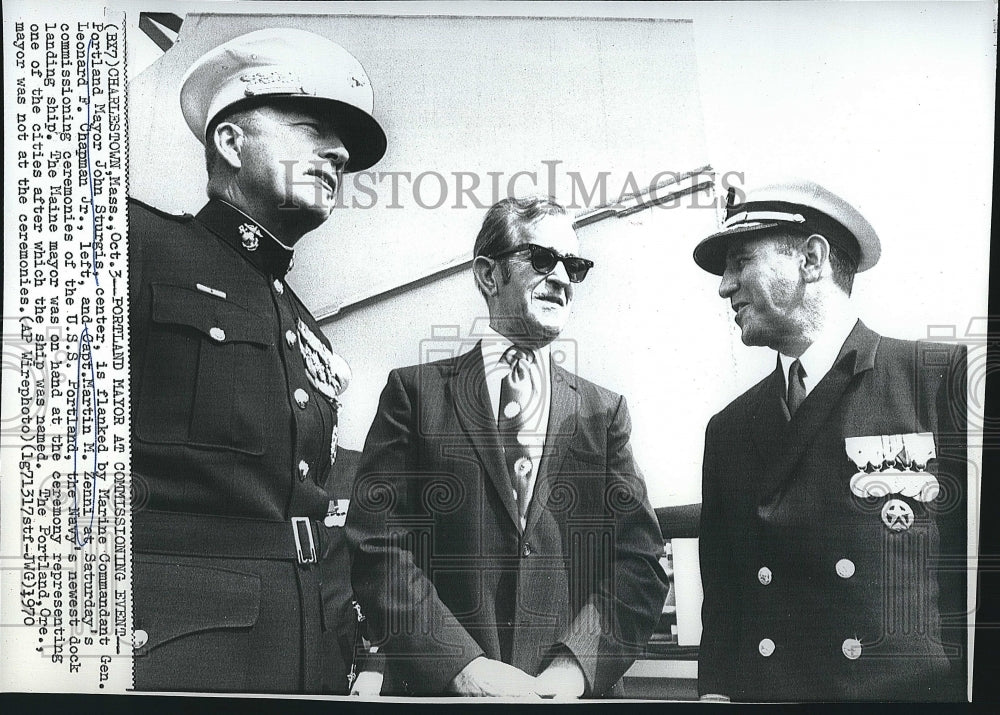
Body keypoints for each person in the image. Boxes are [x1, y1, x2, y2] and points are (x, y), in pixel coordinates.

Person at [128, 28, 387, 693]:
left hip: (311, 651)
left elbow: (305, 506)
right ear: (229, 141)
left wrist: (361, 652)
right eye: (309, 128)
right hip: (182, 654)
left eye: (342, 146)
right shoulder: (135, 246)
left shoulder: (304, 329)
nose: (338, 152)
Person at [345, 196, 668, 697]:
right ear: (487, 274)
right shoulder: (415, 394)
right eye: (543, 259)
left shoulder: (604, 413)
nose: (562, 277)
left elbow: (640, 559)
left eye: (575, 266)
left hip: (569, 698)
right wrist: (464, 667)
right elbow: (378, 546)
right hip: (445, 696)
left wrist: (574, 668)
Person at [693, 179, 967, 701]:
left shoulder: (939, 380)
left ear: (812, 260)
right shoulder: (728, 429)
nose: (724, 286)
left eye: (741, 262)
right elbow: (724, 605)